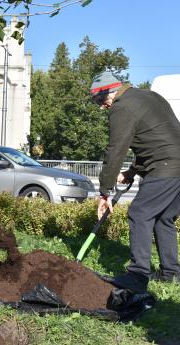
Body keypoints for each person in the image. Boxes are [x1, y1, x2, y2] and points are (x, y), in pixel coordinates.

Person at [93, 70, 180, 292]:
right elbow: (156, 138)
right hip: (174, 164)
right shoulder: (149, 96)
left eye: (100, 100)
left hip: (166, 167)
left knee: (139, 213)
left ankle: (138, 274)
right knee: (163, 218)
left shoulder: (122, 107)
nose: (101, 106)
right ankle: (171, 274)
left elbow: (115, 150)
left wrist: (104, 191)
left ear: (111, 92)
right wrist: (132, 172)